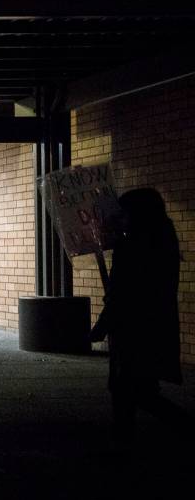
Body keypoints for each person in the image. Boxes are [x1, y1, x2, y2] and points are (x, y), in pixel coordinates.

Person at [90, 187, 185, 445]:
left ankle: (125, 444)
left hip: (133, 330)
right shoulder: (162, 238)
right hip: (152, 325)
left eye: (125, 213)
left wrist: (101, 325)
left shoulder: (134, 245)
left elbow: (123, 292)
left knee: (130, 390)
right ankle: (123, 442)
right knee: (136, 389)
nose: (121, 217)